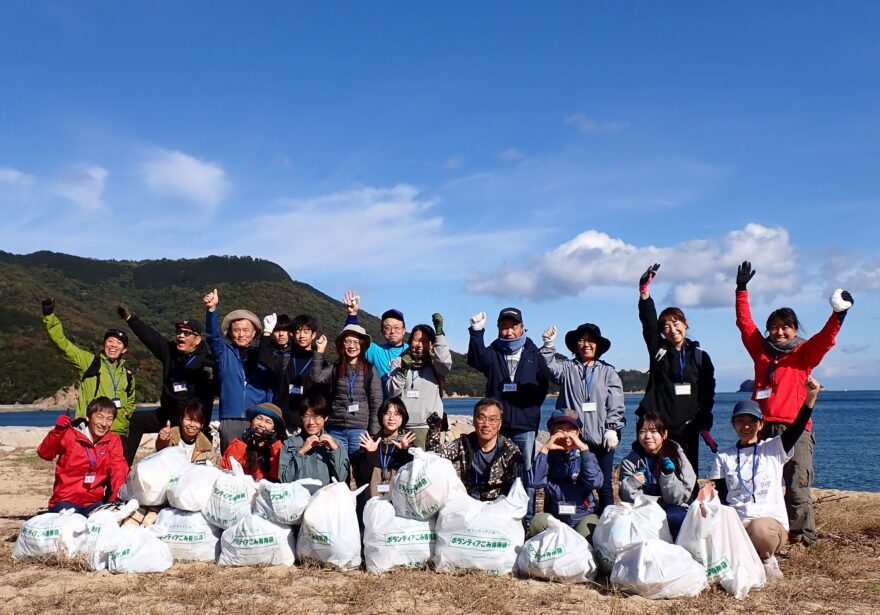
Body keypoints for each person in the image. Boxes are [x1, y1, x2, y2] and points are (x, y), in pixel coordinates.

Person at [734, 262, 852, 546]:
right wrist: (741, 290)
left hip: (795, 429)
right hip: (764, 430)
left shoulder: (803, 353)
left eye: (785, 327)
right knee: (765, 485)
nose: (779, 332)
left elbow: (826, 340)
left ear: (794, 329)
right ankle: (775, 532)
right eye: (773, 328)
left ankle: (803, 537)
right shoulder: (760, 352)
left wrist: (839, 315)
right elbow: (744, 323)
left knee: (797, 485)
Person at [703, 377, 822, 579]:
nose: (746, 426)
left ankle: (767, 559)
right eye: (740, 421)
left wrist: (810, 397)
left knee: (760, 530)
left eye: (751, 421)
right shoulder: (724, 457)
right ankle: (747, 558)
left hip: (769, 525)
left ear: (761, 424)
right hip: (738, 522)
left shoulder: (774, 448)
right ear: (733, 424)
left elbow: (798, 426)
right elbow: (721, 497)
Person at [467, 308, 549, 517]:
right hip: (497, 426)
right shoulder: (493, 351)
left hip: (525, 425)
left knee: (525, 471)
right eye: (504, 327)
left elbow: (543, 384)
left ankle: (526, 518)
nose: (509, 332)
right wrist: (477, 332)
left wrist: (528, 407)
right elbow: (476, 360)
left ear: (522, 328)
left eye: (513, 327)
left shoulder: (534, 352)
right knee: (495, 469)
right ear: (498, 329)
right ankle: (498, 515)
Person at [635, 264, 716, 474]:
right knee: (663, 472)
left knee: (689, 473)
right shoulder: (659, 351)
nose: (672, 329)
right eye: (666, 326)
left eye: (676, 322)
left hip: (688, 427)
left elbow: (707, 394)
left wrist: (704, 424)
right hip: (661, 427)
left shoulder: (700, 357)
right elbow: (648, 324)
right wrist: (644, 293)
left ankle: (689, 506)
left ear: (685, 323)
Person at [540, 322, 625, 514]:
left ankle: (606, 527)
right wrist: (548, 346)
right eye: (581, 340)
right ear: (575, 345)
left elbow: (616, 403)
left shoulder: (608, 371)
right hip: (569, 439)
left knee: (604, 487)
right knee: (564, 482)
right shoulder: (567, 368)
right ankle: (562, 523)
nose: (586, 344)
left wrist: (612, 428)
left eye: (591, 340)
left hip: (601, 439)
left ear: (598, 345)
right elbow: (548, 368)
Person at [116, 306, 216, 465]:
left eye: (186, 333)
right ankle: (121, 469)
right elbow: (151, 337)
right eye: (179, 332)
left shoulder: (208, 362)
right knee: (135, 421)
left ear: (197, 339)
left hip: (193, 422)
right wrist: (130, 318)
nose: (181, 336)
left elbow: (218, 389)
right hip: (168, 416)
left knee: (192, 465)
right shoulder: (170, 352)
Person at [41, 298, 136, 440]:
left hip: (118, 432)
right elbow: (64, 346)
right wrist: (49, 316)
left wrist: (127, 412)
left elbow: (131, 398)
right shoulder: (90, 362)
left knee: (117, 463)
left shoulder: (127, 374)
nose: (113, 345)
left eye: (118, 343)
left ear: (124, 349)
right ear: (104, 344)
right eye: (110, 341)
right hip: (91, 430)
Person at [203, 288, 274, 453]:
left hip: (258, 420)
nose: (241, 334)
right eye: (236, 330)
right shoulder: (224, 354)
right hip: (230, 418)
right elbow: (213, 337)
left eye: (245, 330)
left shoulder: (263, 355)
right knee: (231, 465)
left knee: (257, 466)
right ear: (230, 333)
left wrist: (268, 414)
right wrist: (211, 310)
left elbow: (270, 386)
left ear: (254, 332)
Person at [37, 397, 129, 515]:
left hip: (94, 503)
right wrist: (57, 431)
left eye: (109, 419)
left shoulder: (113, 440)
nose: (104, 424)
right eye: (99, 417)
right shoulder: (70, 434)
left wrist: (116, 500)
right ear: (88, 417)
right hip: (65, 501)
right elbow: (45, 454)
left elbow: (119, 470)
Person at [310, 324, 382, 466]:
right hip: (336, 427)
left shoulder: (370, 370)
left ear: (362, 345)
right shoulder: (335, 368)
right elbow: (316, 377)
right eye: (347, 341)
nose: (352, 346)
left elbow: (376, 400)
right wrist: (319, 352)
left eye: (356, 342)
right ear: (342, 345)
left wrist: (373, 431)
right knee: (337, 467)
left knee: (359, 468)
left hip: (360, 429)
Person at [427, 397, 523, 502]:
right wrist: (434, 430)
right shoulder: (464, 444)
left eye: (492, 419)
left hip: (497, 506)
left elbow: (516, 490)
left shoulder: (509, 451)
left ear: (500, 424)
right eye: (481, 418)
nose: (486, 424)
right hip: (467, 502)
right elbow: (434, 455)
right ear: (474, 420)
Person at [618, 412, 696, 539]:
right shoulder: (630, 461)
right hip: (643, 509)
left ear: (664, 434)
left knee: (674, 517)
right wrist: (632, 483)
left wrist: (668, 475)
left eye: (654, 431)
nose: (648, 436)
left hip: (673, 507)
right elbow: (625, 497)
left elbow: (677, 499)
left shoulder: (677, 456)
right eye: (643, 431)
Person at [527, 412, 603, 540]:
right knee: (536, 523)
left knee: (589, 531)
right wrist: (545, 449)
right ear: (551, 432)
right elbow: (534, 482)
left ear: (578, 432)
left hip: (582, 516)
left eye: (571, 430)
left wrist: (584, 450)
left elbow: (595, 483)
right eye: (560, 430)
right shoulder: (547, 457)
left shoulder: (586, 456)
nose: (566, 435)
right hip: (556, 517)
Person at [386, 315, 453, 448]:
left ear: (432, 344)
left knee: (429, 466)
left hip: (430, 427)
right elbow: (391, 392)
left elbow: (445, 361)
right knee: (405, 467)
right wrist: (403, 371)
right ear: (410, 341)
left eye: (425, 341)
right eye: (416, 340)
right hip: (403, 427)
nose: (420, 345)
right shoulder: (399, 362)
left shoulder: (436, 365)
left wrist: (439, 332)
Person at [259, 312, 320, 431]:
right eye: (297, 331)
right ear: (293, 335)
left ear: (313, 335)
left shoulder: (318, 362)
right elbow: (264, 358)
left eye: (306, 331)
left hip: (307, 423)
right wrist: (266, 332)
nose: (301, 335)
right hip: (282, 421)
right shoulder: (286, 358)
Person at [278, 393, 349, 493]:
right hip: (297, 502)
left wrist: (334, 451)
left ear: (325, 418)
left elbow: (341, 480)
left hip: (324, 501)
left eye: (316, 417)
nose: (311, 422)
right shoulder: (289, 444)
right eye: (306, 417)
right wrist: (301, 452)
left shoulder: (336, 444)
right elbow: (284, 480)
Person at [342, 291, 408, 392]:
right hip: (381, 405)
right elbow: (352, 337)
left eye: (397, 327)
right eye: (387, 328)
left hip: (407, 405)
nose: (392, 331)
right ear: (382, 331)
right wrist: (352, 314)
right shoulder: (375, 351)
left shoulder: (412, 351)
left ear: (404, 331)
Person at [356, 397, 416, 499]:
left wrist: (405, 451)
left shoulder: (407, 443)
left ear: (403, 418)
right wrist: (370, 453)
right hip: (372, 500)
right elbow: (362, 477)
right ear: (381, 416)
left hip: (398, 502)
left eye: (397, 414)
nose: (391, 418)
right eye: (387, 413)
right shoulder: (371, 442)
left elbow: (411, 477)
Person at [221, 402, 285, 481]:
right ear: (252, 421)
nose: (261, 424)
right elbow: (229, 469)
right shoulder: (239, 443)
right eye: (259, 418)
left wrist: (274, 445)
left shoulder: (279, 447)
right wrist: (242, 442)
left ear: (274, 429)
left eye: (268, 422)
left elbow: (279, 474)